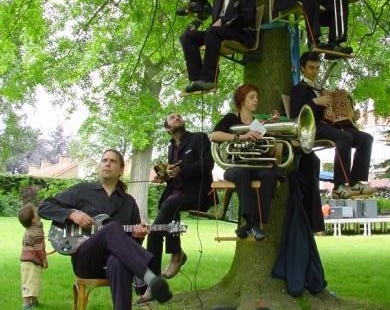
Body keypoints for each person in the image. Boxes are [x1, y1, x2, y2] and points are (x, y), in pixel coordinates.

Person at [38, 149, 172, 310]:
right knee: (112, 228)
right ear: (99, 166)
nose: (107, 163)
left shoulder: (129, 202)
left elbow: (131, 246)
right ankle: (149, 277)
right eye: (104, 160)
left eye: (113, 161)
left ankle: (146, 282)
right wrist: (72, 214)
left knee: (120, 262)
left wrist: (137, 235)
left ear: (121, 170)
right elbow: (44, 207)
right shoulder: (82, 190)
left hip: (115, 263)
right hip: (86, 261)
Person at [136, 114, 213, 303]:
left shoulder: (199, 138)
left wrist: (181, 170)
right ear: (167, 129)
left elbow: (207, 165)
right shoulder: (171, 147)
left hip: (198, 194)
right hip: (175, 197)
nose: (177, 117)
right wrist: (165, 176)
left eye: (179, 116)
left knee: (166, 212)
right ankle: (161, 275)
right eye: (172, 117)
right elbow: (174, 172)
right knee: (158, 226)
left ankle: (174, 257)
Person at [290, 51, 375, 199]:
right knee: (344, 137)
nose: (315, 71)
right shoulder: (299, 89)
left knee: (366, 138)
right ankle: (338, 186)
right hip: (312, 127)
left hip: (330, 126)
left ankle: (355, 181)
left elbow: (334, 114)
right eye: (311, 67)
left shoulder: (322, 90)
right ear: (302, 68)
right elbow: (295, 114)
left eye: (317, 68)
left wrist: (350, 114)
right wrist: (314, 102)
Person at [210, 84, 279, 241]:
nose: (256, 100)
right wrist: (241, 137)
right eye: (251, 97)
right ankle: (252, 223)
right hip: (235, 167)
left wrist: (269, 132)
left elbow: (266, 151)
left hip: (255, 166)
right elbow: (214, 135)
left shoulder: (258, 124)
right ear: (242, 100)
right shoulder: (231, 119)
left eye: (257, 97)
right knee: (242, 173)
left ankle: (254, 224)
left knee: (270, 174)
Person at [180, 0, 256, 93]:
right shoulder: (217, 0)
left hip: (241, 33)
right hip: (217, 33)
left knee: (212, 32)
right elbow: (215, 25)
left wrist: (223, 20)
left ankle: (209, 80)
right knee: (187, 36)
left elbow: (247, 17)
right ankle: (197, 80)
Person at [19, 204, 48, 310]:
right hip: (31, 261)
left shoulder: (33, 228)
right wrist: (44, 259)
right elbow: (38, 248)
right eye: (35, 211)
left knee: (34, 281)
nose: (38, 211)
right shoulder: (36, 232)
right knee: (30, 282)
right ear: (33, 220)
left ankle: (34, 301)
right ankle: (27, 304)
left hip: (28, 260)